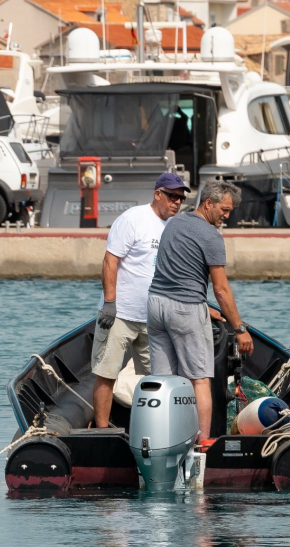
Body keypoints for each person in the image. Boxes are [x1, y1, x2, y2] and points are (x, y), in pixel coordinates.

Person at [147, 180, 254, 445]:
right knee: (199, 380)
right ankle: (202, 444)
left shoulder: (174, 223)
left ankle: (164, 441)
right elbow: (220, 290)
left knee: (164, 382)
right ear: (208, 203)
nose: (227, 216)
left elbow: (174, 270)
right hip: (185, 310)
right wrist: (240, 329)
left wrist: (202, 306)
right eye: (224, 210)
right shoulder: (211, 236)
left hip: (156, 305)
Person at [91, 173, 187, 428]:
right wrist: (110, 304)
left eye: (181, 198)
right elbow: (110, 260)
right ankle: (101, 430)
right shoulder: (133, 218)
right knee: (106, 373)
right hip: (120, 314)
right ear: (158, 194)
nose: (177, 202)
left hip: (153, 318)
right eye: (172, 196)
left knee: (160, 377)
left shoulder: (174, 227)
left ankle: (158, 430)